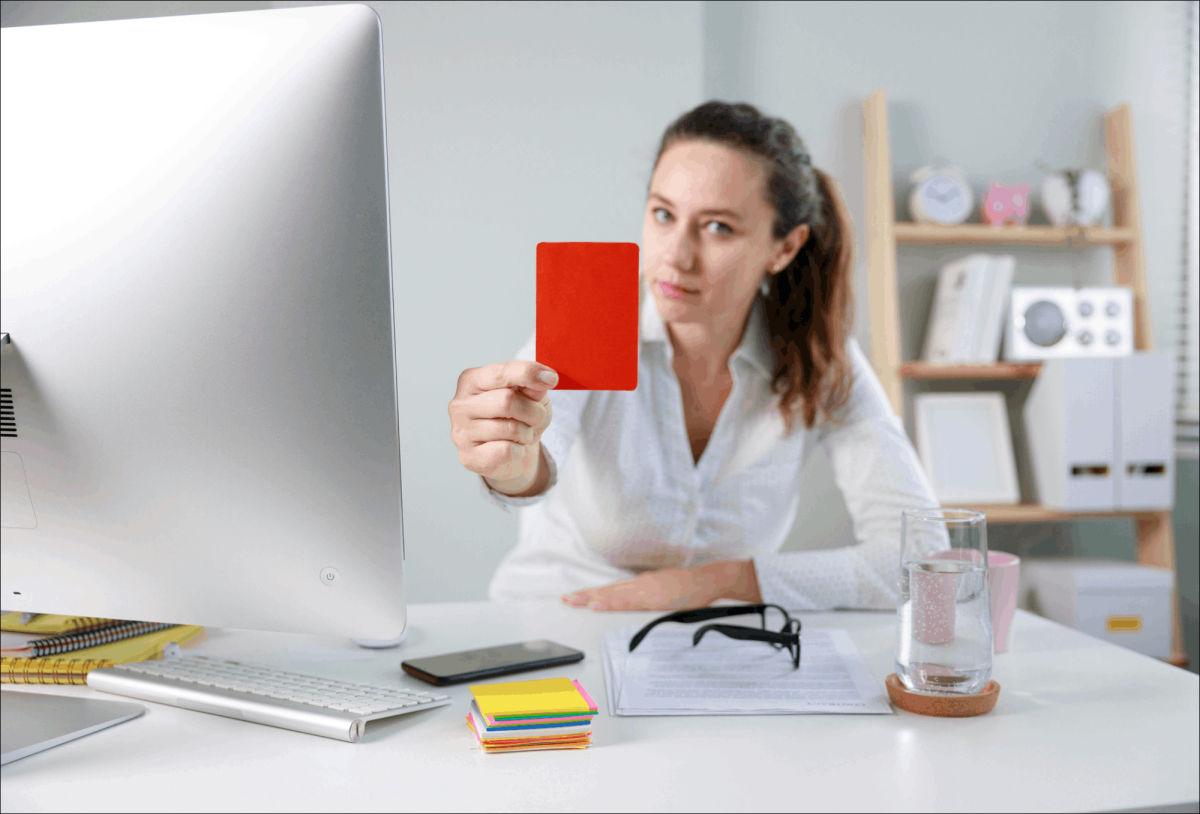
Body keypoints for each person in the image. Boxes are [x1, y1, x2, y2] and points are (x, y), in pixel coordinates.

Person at [447, 101, 938, 612]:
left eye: (718, 227)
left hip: (712, 635)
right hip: (558, 618)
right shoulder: (592, 320)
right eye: (663, 215)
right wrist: (510, 462)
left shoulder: (818, 356)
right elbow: (534, 462)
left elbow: (921, 558)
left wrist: (721, 582)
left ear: (785, 248)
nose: (676, 257)